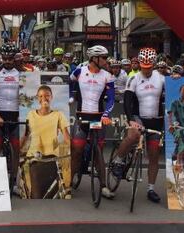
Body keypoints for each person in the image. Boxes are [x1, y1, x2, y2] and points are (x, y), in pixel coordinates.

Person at [110, 47, 165, 203]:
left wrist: (175, 79)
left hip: (156, 119)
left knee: (154, 155)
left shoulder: (161, 78)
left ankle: (151, 189)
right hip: (138, 117)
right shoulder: (133, 78)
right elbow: (127, 100)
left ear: (153, 64)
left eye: (149, 67)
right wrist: (130, 119)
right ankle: (119, 160)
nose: (145, 70)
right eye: (143, 67)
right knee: (133, 134)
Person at [70, 45, 116, 199]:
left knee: (98, 151)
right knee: (76, 149)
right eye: (103, 57)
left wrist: (106, 114)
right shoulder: (79, 71)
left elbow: (110, 99)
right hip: (82, 116)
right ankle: (69, 181)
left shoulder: (107, 76)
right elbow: (69, 82)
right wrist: (72, 96)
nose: (105, 60)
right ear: (94, 59)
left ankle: (103, 186)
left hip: (97, 118)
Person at [20, 85, 71, 198]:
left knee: (52, 195)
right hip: (35, 159)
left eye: (47, 95)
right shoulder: (31, 114)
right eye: (41, 96)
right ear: (38, 98)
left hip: (53, 159)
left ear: (51, 97)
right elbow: (25, 135)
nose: (44, 98)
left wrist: (72, 150)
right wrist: (19, 152)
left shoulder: (58, 115)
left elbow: (66, 136)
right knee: (37, 195)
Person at [0, 42, 21, 184]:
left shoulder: (22, 72)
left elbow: (28, 95)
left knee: (17, 148)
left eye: (10, 58)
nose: (7, 61)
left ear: (14, 58)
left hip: (16, 115)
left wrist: (23, 113)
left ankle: (14, 178)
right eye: (5, 58)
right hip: (0, 114)